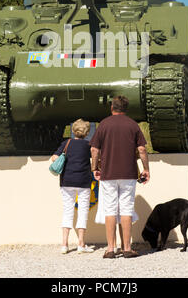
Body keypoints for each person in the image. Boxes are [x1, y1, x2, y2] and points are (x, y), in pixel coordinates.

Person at [90, 95, 150, 259]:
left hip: (108, 174)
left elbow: (94, 150)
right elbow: (142, 150)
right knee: (126, 209)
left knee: (109, 210)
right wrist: (146, 169)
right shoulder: (133, 125)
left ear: (112, 108)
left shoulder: (104, 124)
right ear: (125, 109)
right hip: (129, 174)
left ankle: (111, 249)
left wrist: (95, 168)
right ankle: (127, 248)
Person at [51, 118, 94, 254]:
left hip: (67, 181)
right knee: (83, 212)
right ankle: (81, 244)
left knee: (67, 211)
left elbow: (54, 158)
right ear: (86, 132)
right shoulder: (88, 145)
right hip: (83, 181)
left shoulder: (66, 143)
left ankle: (64, 245)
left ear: (73, 131)